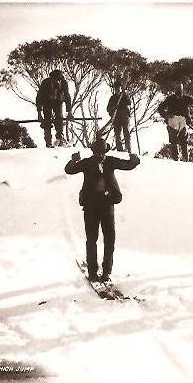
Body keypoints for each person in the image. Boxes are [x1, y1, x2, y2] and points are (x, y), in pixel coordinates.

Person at [65, 138, 140, 282]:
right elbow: (69, 170)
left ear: (105, 151)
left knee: (108, 239)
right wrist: (73, 161)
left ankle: (106, 271)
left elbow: (128, 165)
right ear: (94, 151)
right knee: (93, 239)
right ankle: (93, 272)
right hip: (91, 206)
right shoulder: (87, 162)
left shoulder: (110, 161)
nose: (100, 155)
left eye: (102, 152)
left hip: (107, 204)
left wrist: (134, 160)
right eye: (97, 152)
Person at [157, 83, 193, 161]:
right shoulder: (170, 98)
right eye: (177, 89)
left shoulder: (185, 98)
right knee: (174, 140)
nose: (178, 90)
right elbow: (160, 108)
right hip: (173, 120)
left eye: (180, 88)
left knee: (183, 140)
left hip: (182, 120)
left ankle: (185, 159)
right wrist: (166, 116)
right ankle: (176, 159)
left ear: (182, 89)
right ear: (175, 90)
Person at [36, 69, 74, 148]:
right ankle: (48, 142)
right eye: (56, 80)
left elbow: (67, 97)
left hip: (58, 102)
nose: (57, 81)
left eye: (59, 80)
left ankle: (59, 139)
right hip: (47, 102)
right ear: (51, 78)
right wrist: (39, 113)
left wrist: (69, 112)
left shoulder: (63, 83)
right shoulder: (45, 83)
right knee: (47, 121)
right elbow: (39, 98)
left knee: (59, 119)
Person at [106, 83, 132, 153]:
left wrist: (121, 103)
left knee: (126, 132)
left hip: (124, 116)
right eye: (116, 89)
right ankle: (119, 148)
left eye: (118, 89)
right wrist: (113, 108)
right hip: (117, 117)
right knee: (117, 133)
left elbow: (129, 102)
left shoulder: (124, 96)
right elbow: (108, 108)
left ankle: (128, 148)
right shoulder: (112, 98)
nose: (117, 90)